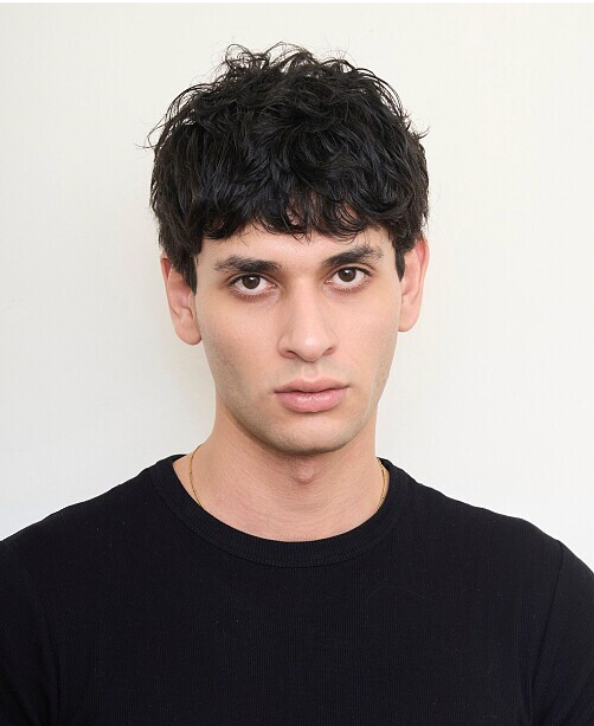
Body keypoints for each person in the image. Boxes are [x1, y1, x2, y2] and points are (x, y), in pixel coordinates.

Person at [1, 42, 593, 725]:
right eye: (253, 281)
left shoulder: (543, 610)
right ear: (183, 296)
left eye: (348, 274)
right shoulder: (29, 609)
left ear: (410, 283)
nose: (308, 339)